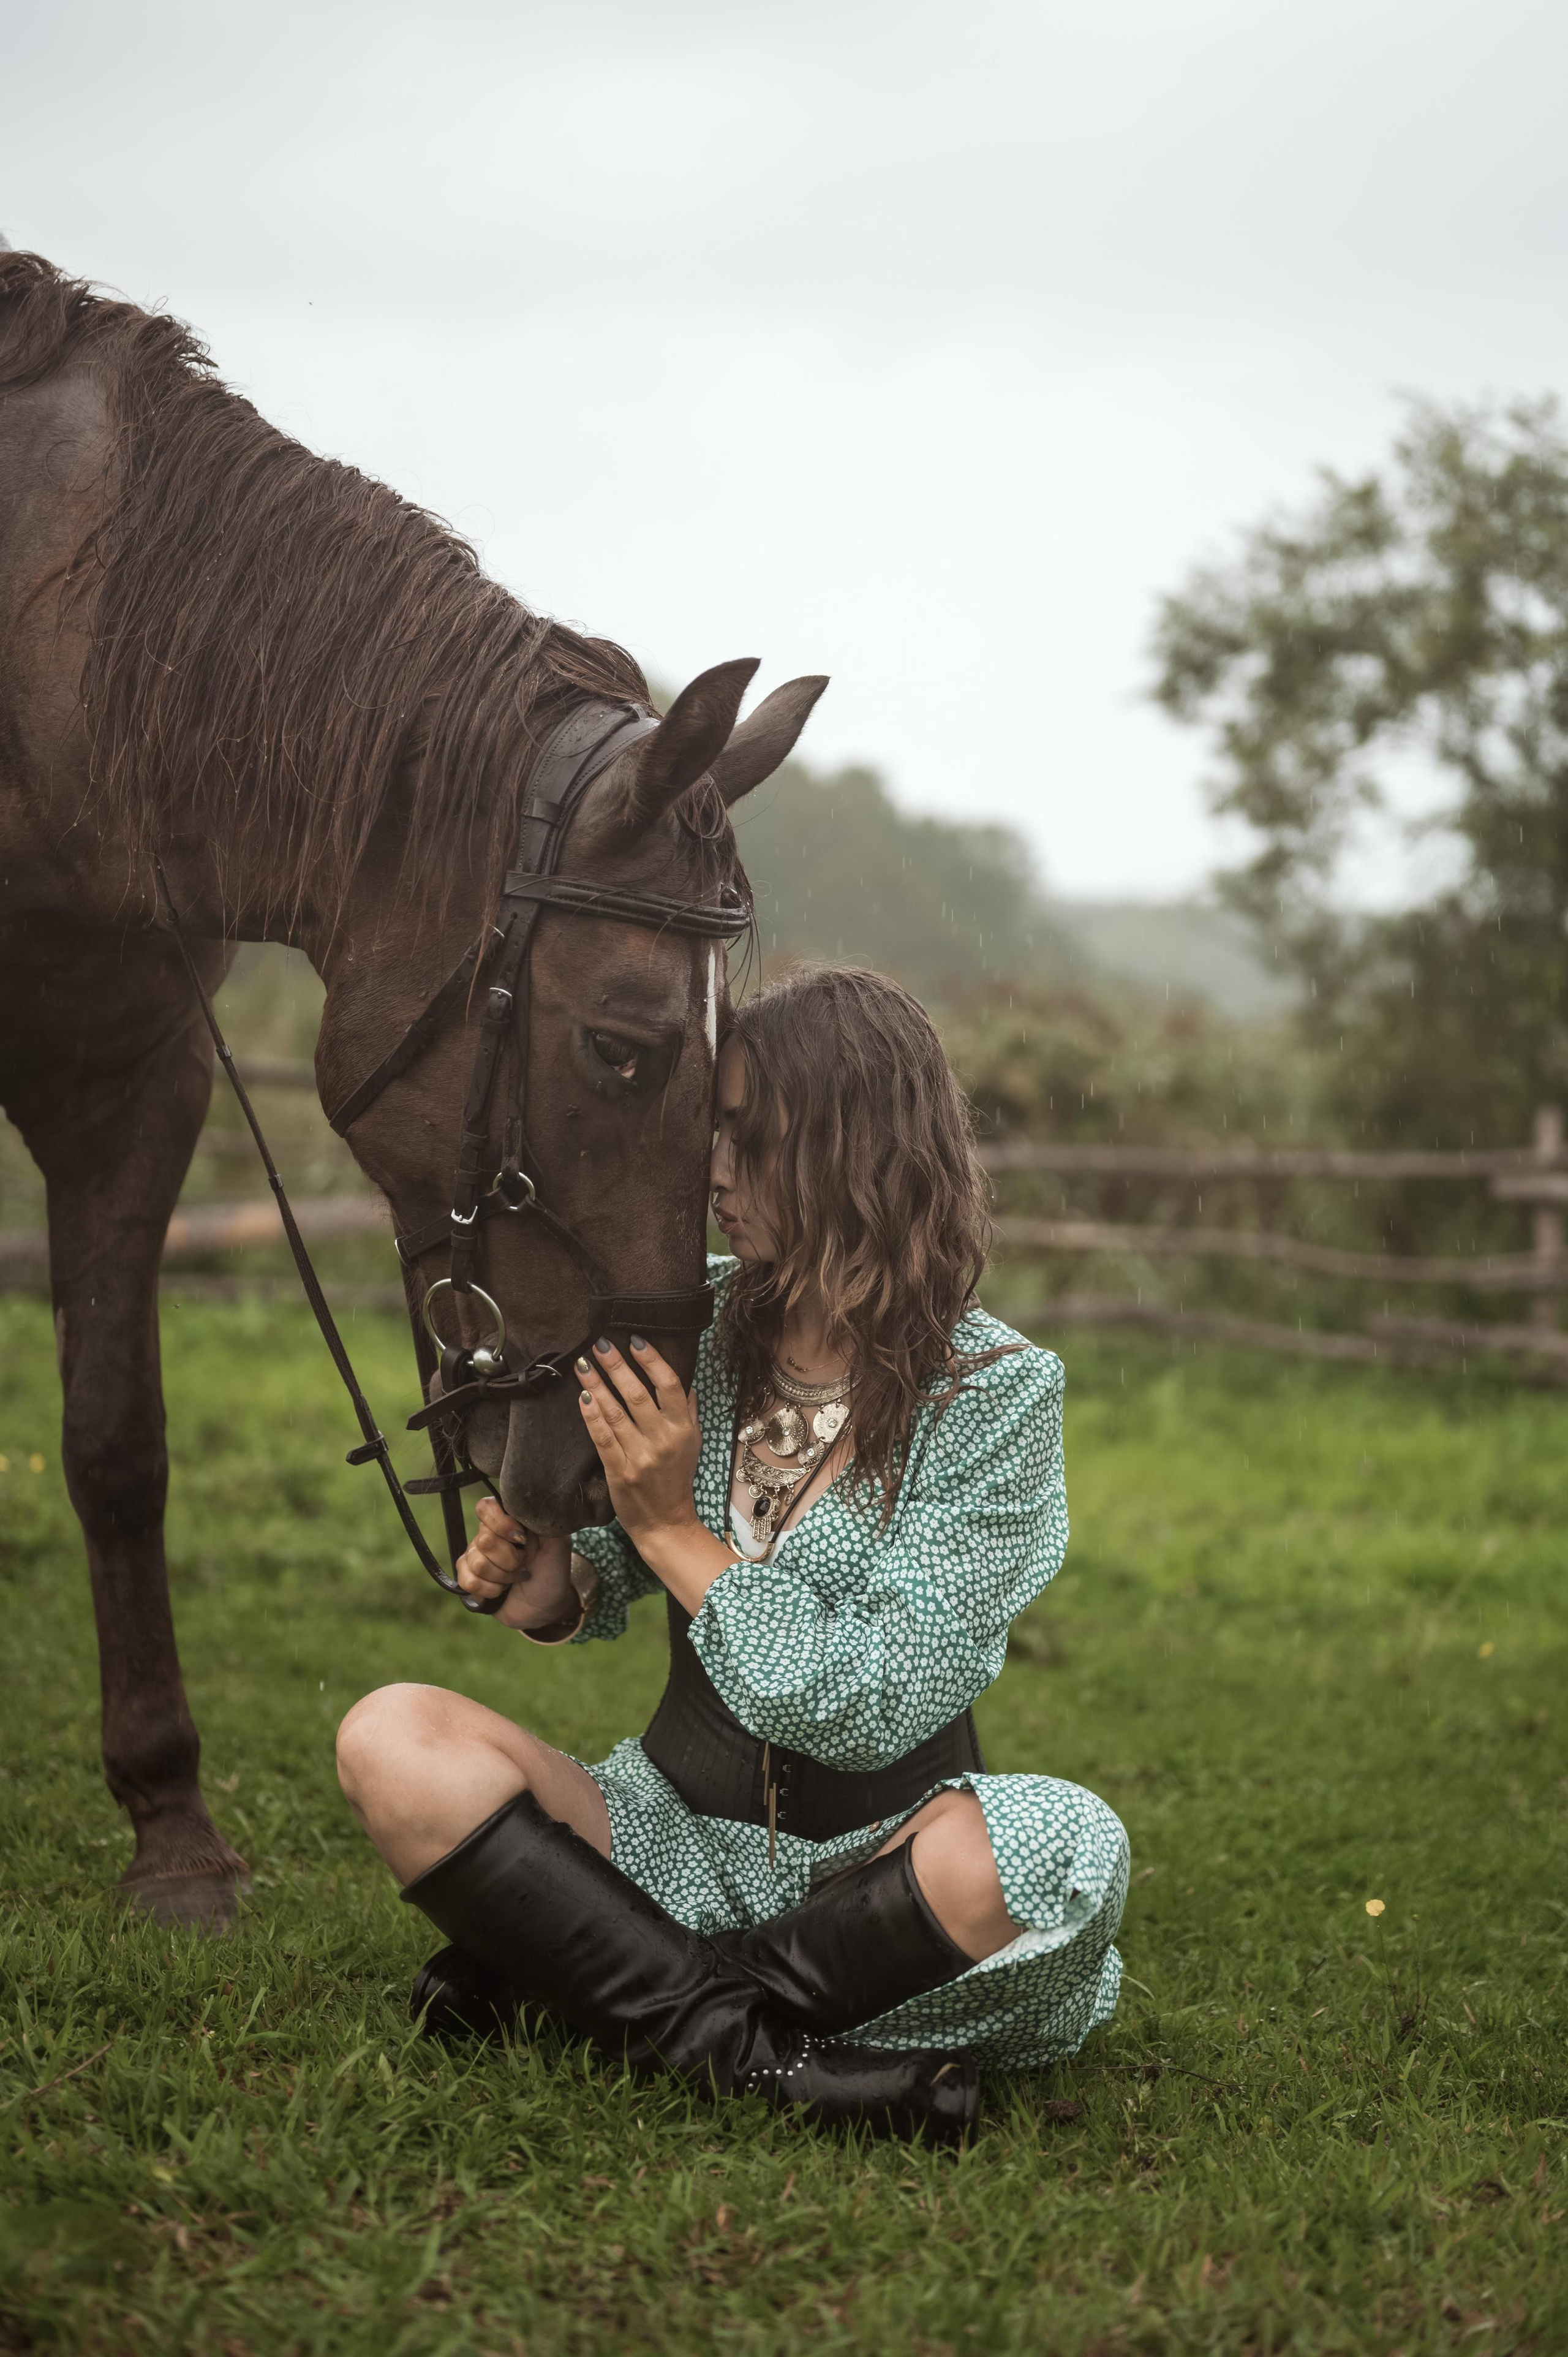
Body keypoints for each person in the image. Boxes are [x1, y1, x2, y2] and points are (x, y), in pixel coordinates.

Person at [336, 965, 1129, 2144]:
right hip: (663, 1835)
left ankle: (611, 1986)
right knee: (392, 1735)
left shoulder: (994, 1392)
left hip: (880, 1875)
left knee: (1064, 1849)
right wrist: (552, 1577)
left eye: (749, 1134)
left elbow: (868, 1705)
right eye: (715, 1127)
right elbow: (590, 1583)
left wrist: (671, 1528)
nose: (711, 1168)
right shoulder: (688, 1328)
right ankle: (773, 2061)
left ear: (855, 1146)